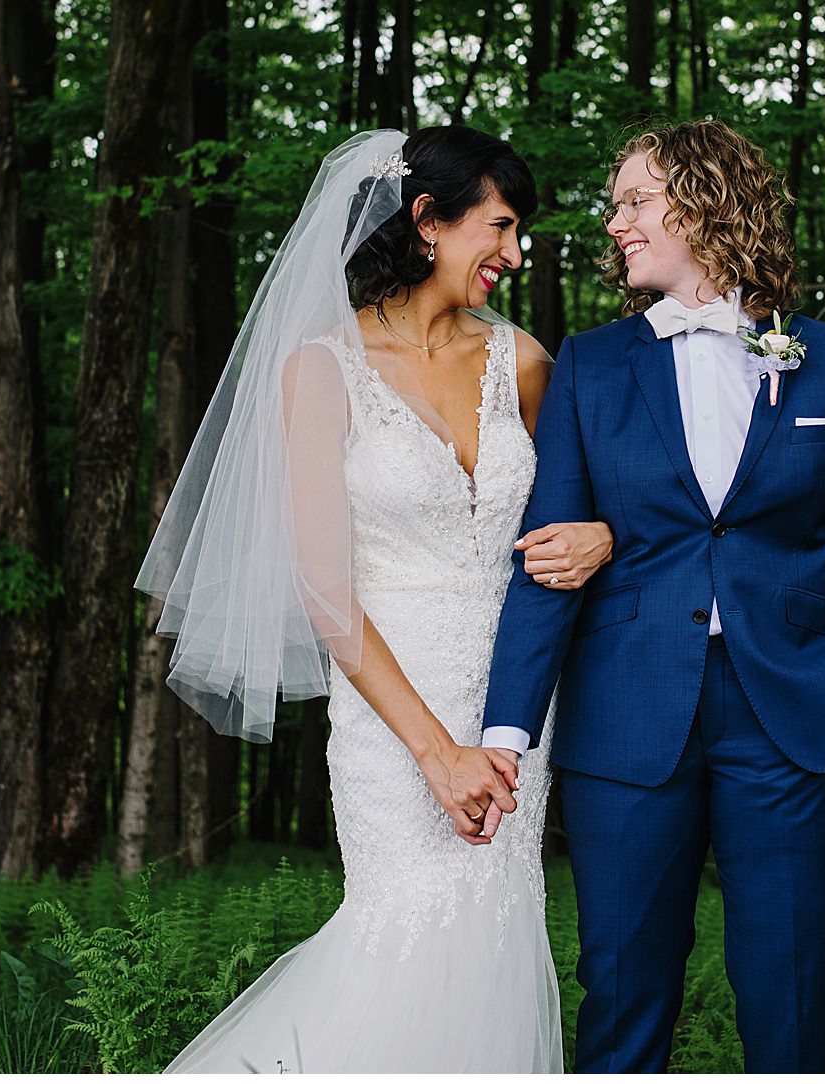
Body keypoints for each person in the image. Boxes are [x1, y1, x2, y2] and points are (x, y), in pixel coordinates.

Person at [137, 127, 612, 1073]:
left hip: (517, 700)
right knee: (403, 923)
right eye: (502, 226)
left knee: (495, 924)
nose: (516, 255)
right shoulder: (322, 369)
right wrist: (437, 755)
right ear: (428, 221)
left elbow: (600, 498)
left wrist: (603, 538)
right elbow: (326, 589)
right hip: (394, 713)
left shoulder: (523, 361)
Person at [480, 118, 825, 1072]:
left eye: (634, 201)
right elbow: (548, 556)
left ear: (705, 203)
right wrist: (505, 732)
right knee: (623, 995)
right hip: (628, 715)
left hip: (795, 715)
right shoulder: (592, 368)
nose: (615, 223)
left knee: (796, 996)